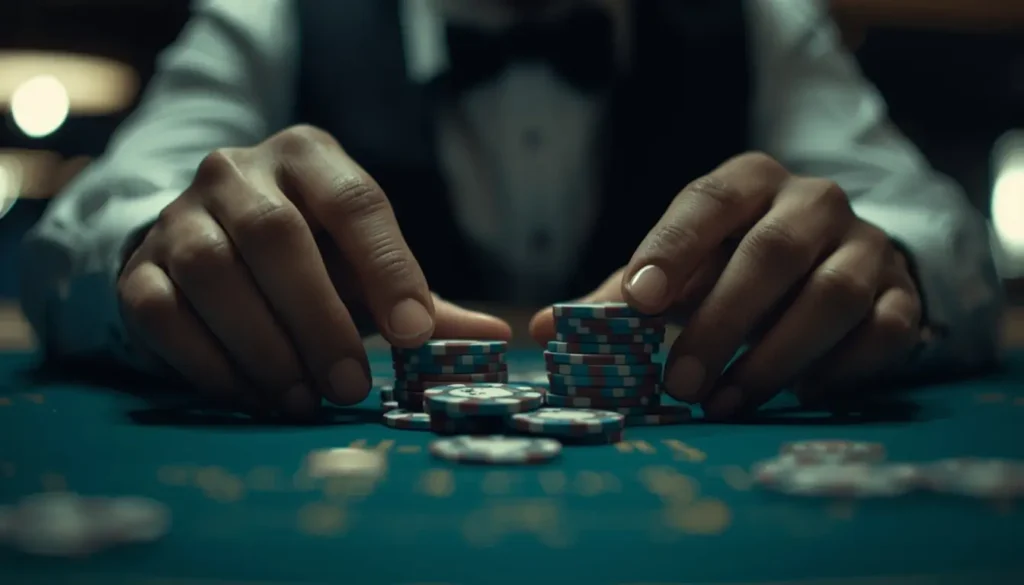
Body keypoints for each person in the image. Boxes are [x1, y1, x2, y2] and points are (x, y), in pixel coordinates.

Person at [19, 0, 1003, 421]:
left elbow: (934, 227)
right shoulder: (270, 11)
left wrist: (893, 266)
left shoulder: (756, 16)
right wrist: (151, 248)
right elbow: (82, 231)